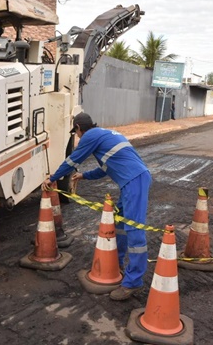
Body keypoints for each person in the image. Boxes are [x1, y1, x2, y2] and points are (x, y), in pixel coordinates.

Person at [43, 112, 152, 301]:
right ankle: (116, 264)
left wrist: (52, 178)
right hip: (133, 181)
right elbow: (104, 169)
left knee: (134, 230)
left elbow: (73, 160)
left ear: (78, 128)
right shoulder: (106, 134)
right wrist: (84, 176)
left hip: (134, 181)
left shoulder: (91, 136)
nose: (77, 136)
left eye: (76, 133)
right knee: (120, 225)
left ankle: (133, 282)